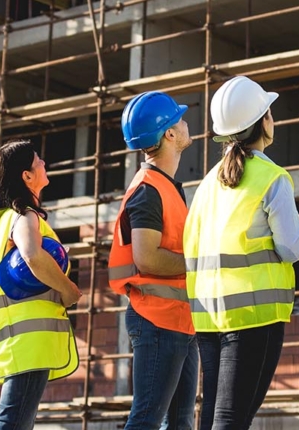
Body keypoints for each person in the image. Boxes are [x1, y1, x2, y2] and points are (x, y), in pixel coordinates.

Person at [186, 75, 299, 430]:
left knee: (215, 414)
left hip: (209, 316)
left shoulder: (207, 184)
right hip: (254, 316)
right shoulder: (272, 179)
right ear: (262, 122)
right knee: (230, 419)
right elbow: (291, 248)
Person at [0, 139, 83, 430]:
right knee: (13, 422)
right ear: (27, 176)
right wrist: (67, 289)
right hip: (28, 340)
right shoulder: (25, 216)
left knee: (14, 419)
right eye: (38, 161)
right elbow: (32, 254)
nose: (44, 164)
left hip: (16, 336)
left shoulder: (4, 219)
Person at [110, 91, 198, 430]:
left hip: (176, 320)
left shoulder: (166, 186)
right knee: (146, 420)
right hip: (157, 319)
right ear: (169, 135)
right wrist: (200, 263)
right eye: (179, 119)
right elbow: (147, 259)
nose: (186, 121)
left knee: (180, 423)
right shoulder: (149, 190)